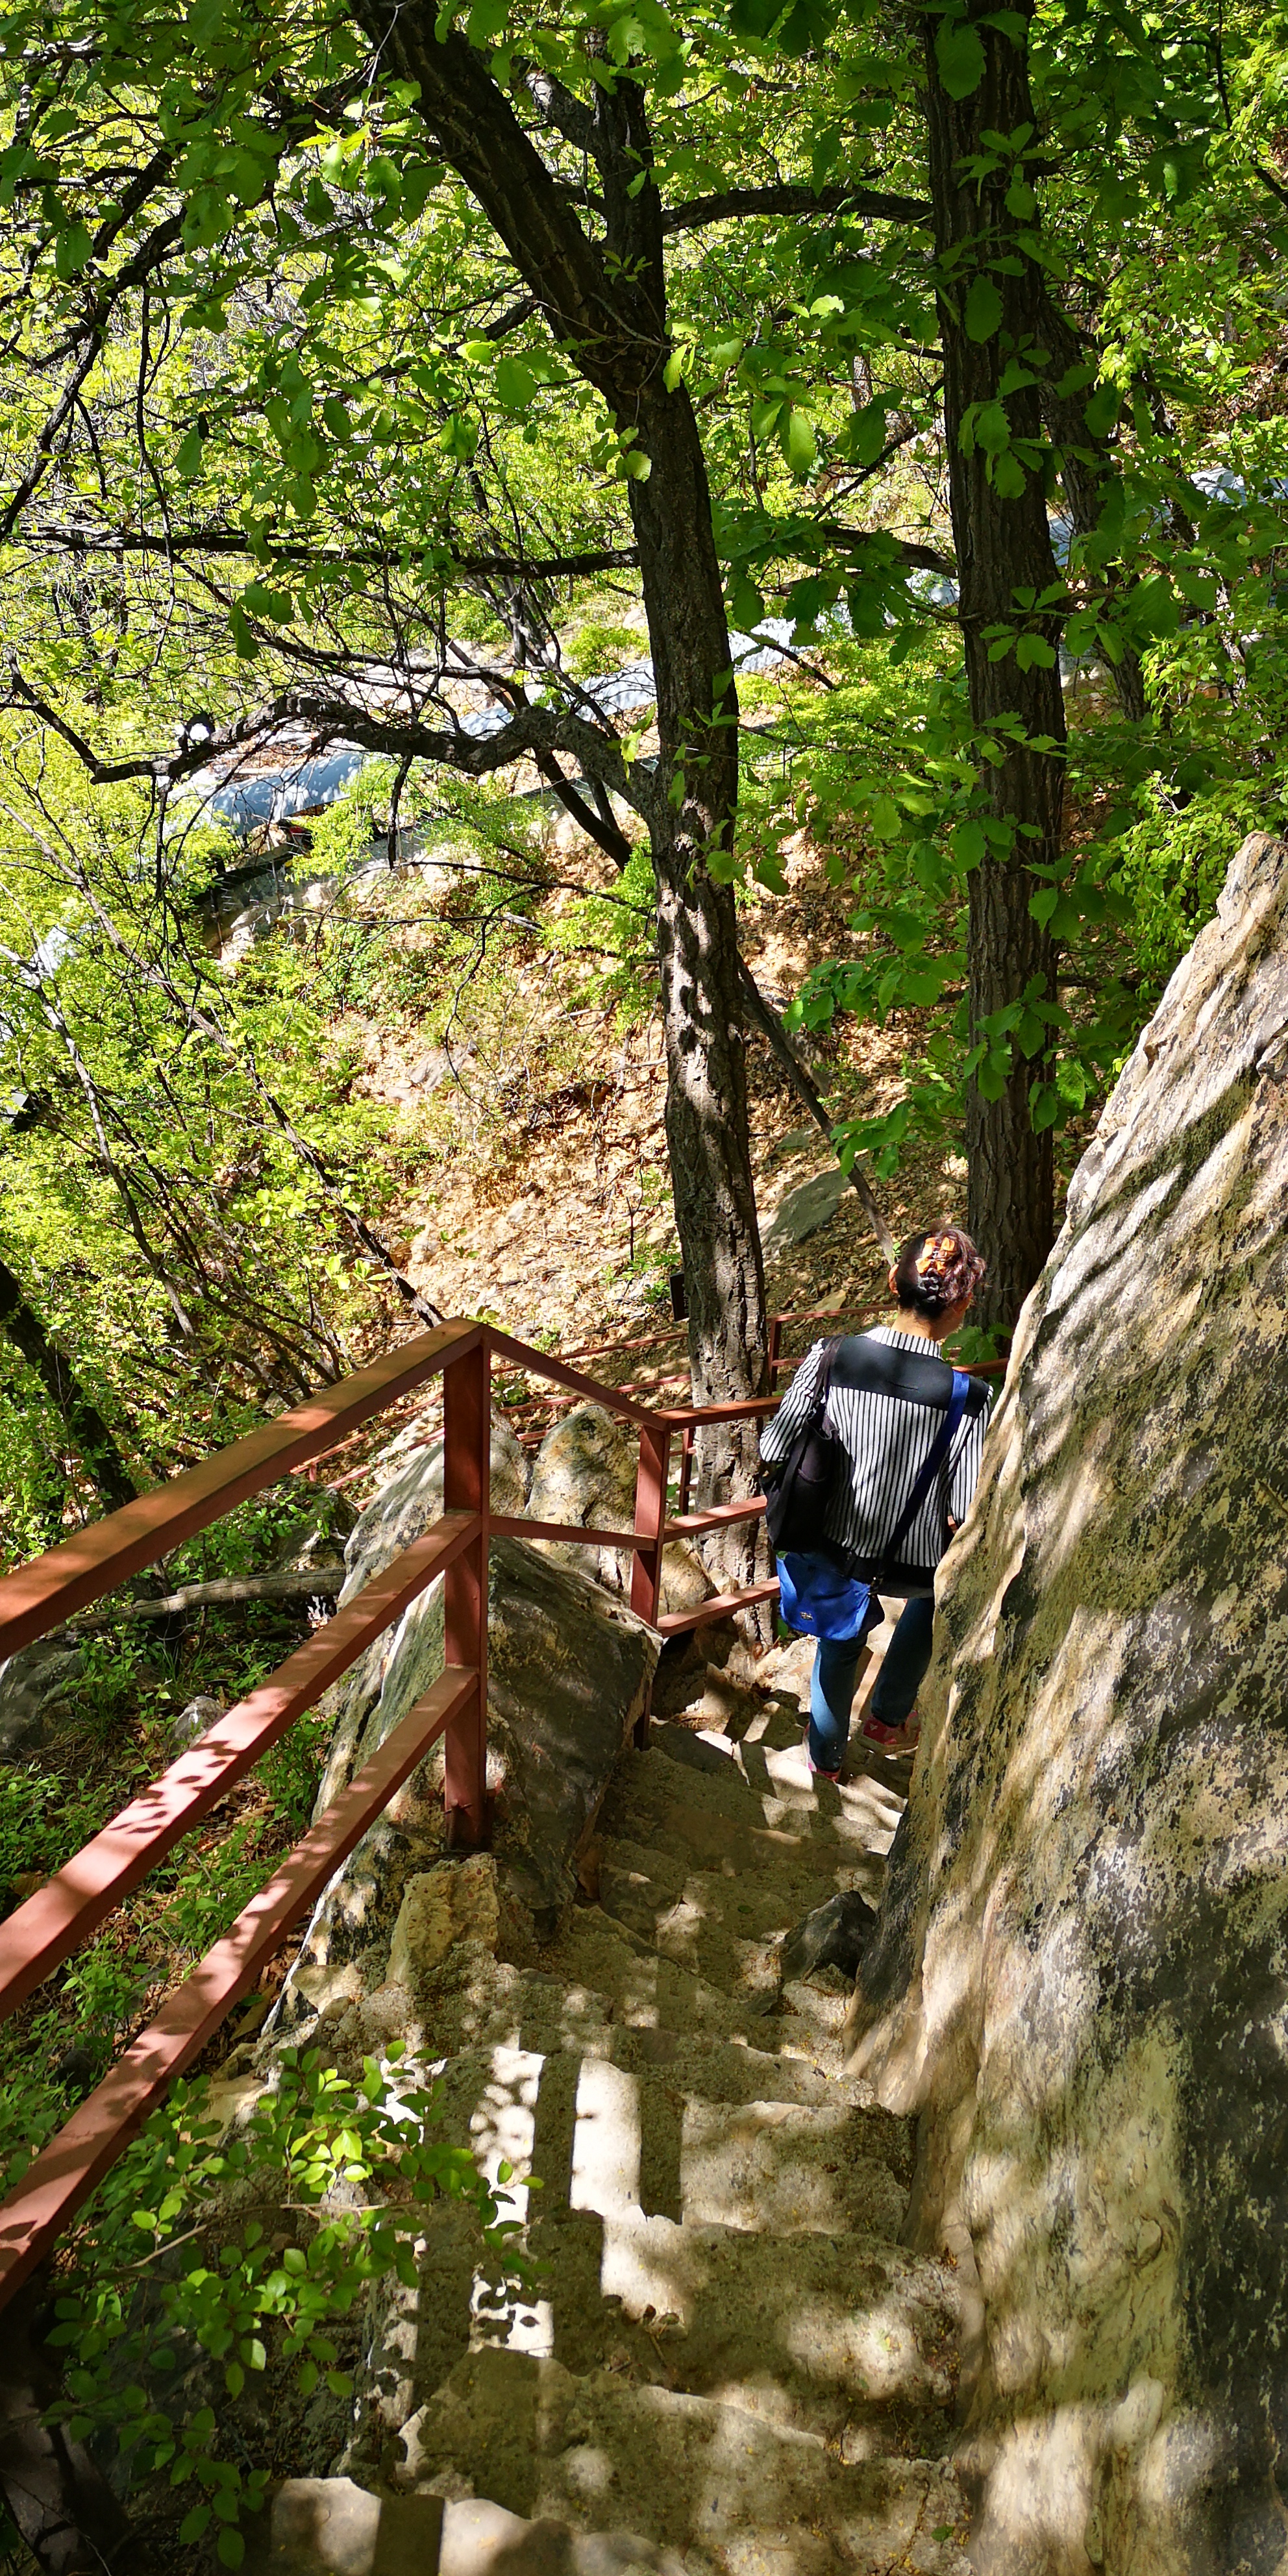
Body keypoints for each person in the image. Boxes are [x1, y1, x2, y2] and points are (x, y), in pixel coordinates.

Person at [760, 1225, 991, 1776]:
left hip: (835, 1546)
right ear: (961, 1309)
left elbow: (774, 1445)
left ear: (893, 1281)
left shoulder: (831, 1356)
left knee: (839, 1644)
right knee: (940, 1593)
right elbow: (965, 1505)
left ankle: (827, 1760)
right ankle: (889, 1715)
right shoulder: (969, 1397)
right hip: (913, 1564)